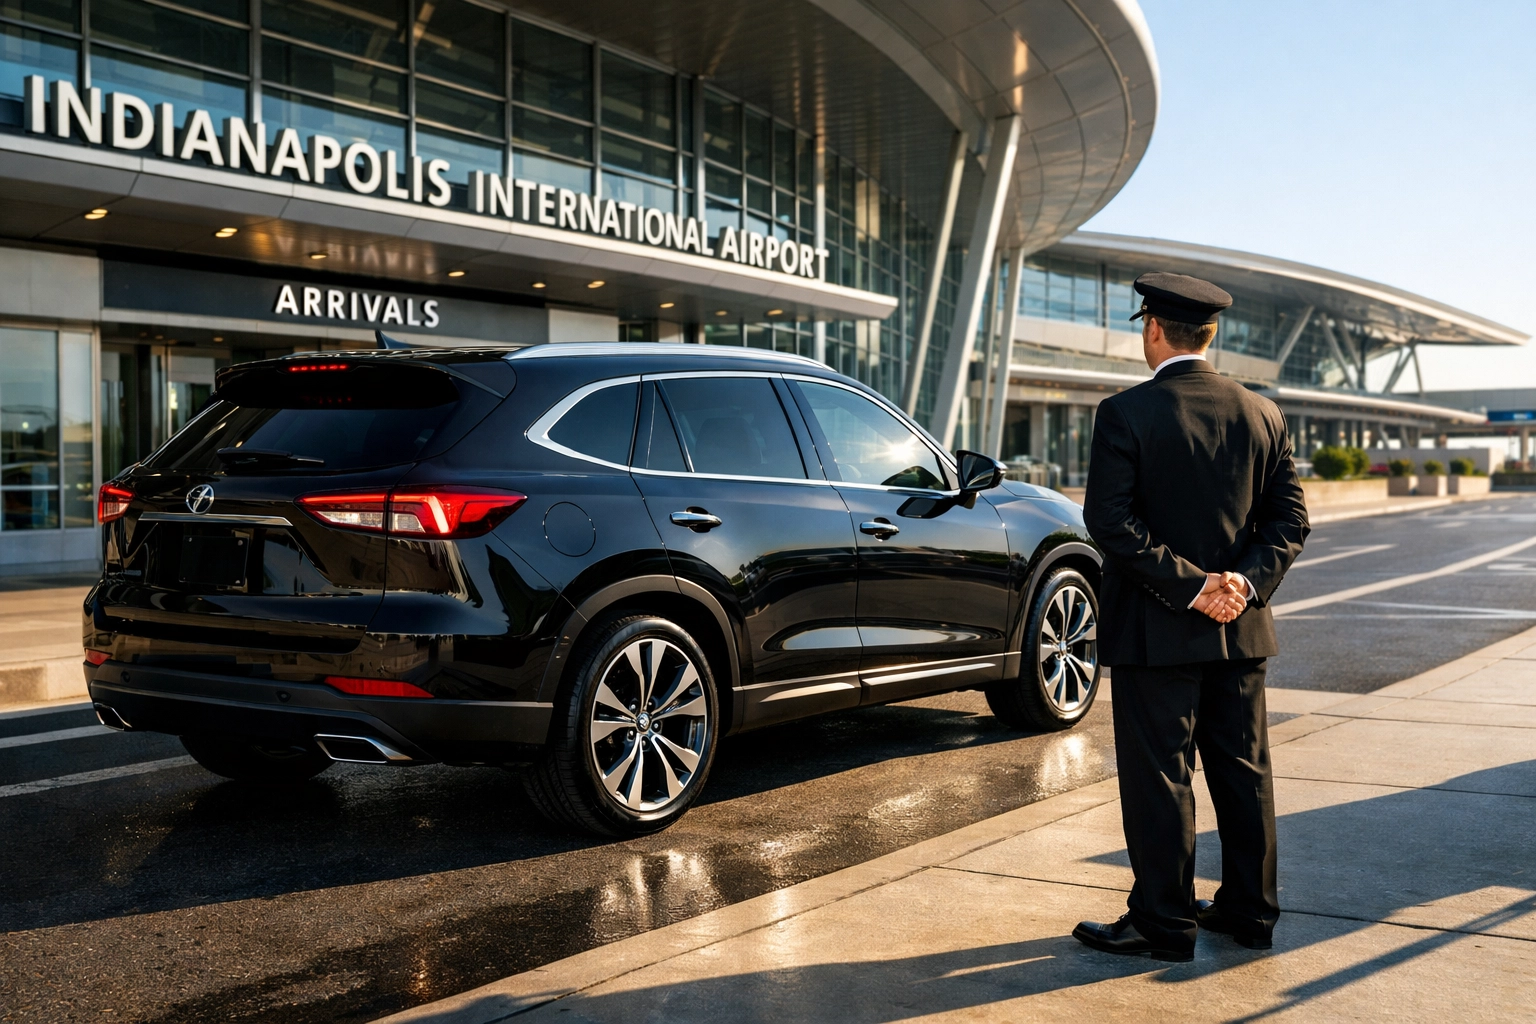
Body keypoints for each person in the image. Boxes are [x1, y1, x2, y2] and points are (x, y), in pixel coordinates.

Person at [1073, 272, 1310, 963]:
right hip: (1240, 630)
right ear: (1212, 334)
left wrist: (1191, 587)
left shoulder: (1125, 413)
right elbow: (1290, 520)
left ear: (1153, 330)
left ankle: (1162, 922)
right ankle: (1249, 910)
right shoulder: (1262, 414)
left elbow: (1109, 522)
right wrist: (1242, 583)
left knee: (1160, 777)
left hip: (1156, 632)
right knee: (1245, 772)